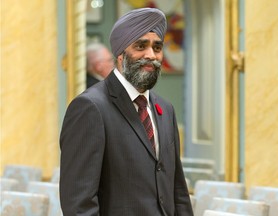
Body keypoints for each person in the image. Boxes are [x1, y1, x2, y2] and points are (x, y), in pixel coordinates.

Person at [59, 7, 194, 216]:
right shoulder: (90, 108)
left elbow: (178, 191)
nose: (151, 55)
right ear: (121, 54)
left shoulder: (165, 110)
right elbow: (79, 204)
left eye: (157, 48)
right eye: (141, 46)